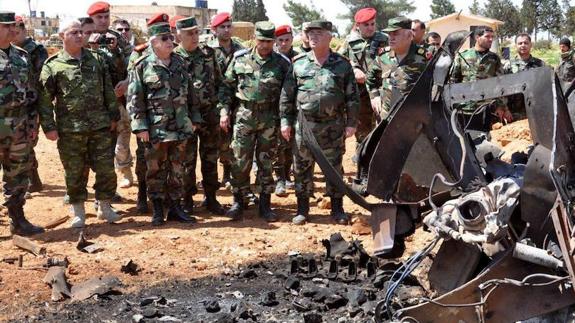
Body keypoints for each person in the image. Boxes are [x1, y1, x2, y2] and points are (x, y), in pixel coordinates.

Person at [39, 19, 121, 228]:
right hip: (71, 130)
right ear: (62, 37)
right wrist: (48, 126)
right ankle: (78, 211)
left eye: (81, 32)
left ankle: (104, 207)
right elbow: (45, 99)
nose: (79, 36)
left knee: (105, 170)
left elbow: (108, 90)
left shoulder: (96, 60)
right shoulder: (53, 65)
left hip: (100, 126)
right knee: (75, 172)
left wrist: (113, 116)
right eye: (73, 32)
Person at [280, 20, 359, 225]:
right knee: (302, 167)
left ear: (330, 36)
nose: (313, 37)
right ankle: (303, 209)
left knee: (334, 167)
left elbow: (352, 97)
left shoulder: (342, 64)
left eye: (318, 33)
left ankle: (337, 208)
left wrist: (351, 122)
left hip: (333, 126)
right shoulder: (298, 64)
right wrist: (285, 122)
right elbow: (287, 96)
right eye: (310, 33)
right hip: (305, 126)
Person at [127, 22, 200, 226]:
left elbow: (191, 95)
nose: (171, 42)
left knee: (179, 167)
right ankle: (158, 208)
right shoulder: (142, 65)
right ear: (154, 42)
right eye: (165, 39)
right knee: (155, 169)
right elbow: (135, 98)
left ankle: (176, 207)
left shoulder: (180, 63)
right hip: (155, 128)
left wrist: (194, 119)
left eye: (170, 38)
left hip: (180, 126)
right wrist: (140, 126)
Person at [218, 21, 290, 222]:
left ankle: (265, 204)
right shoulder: (240, 59)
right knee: (240, 160)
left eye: (269, 41)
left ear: (273, 41)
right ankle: (238, 202)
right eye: (261, 40)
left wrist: (285, 119)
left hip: (270, 118)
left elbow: (289, 94)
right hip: (245, 116)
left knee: (266, 161)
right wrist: (224, 111)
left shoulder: (282, 63)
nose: (265, 45)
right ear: (254, 39)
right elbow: (226, 87)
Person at [174, 16, 226, 216]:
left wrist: (221, 108)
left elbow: (220, 82)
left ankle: (211, 197)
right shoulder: (175, 57)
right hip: (184, 118)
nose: (195, 37)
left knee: (210, 158)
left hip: (209, 115)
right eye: (189, 33)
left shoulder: (208, 54)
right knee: (186, 160)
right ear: (178, 35)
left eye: (196, 32)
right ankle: (187, 199)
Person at [0, 11, 44, 235]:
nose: (12, 30)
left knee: (17, 175)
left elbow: (31, 91)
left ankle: (17, 220)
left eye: (13, 26)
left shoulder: (21, 56)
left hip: (18, 126)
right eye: (6, 26)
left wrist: (33, 122)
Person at [338, 7, 387, 188]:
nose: (370, 27)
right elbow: (339, 61)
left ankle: (382, 169)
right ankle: (363, 171)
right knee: (363, 131)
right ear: (358, 25)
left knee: (384, 129)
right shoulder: (350, 42)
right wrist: (353, 67)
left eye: (372, 24)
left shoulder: (384, 39)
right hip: (360, 94)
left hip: (381, 91)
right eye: (366, 25)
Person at [127, 13, 170, 214]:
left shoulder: (173, 57)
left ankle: (167, 198)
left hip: (168, 120)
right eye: (161, 31)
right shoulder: (139, 56)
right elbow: (134, 90)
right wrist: (139, 123)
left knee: (169, 159)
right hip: (148, 119)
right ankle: (142, 193)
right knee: (145, 158)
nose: (168, 37)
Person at [11, 15, 48, 194]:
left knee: (27, 142)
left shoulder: (36, 50)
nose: (13, 35)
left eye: (17, 32)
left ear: (24, 30)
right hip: (12, 105)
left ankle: (30, 179)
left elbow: (41, 78)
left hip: (32, 104)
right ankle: (31, 178)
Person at [449, 25, 511, 131]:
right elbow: (453, 81)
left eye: (492, 37)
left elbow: (500, 84)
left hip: (486, 109)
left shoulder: (494, 58)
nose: (491, 39)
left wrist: (502, 107)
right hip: (464, 109)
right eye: (487, 36)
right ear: (477, 37)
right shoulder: (462, 56)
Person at [366, 17, 429, 121]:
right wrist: (374, 96)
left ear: (409, 35)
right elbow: (370, 78)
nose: (391, 38)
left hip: (413, 119)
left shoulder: (424, 58)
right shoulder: (383, 56)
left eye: (395, 33)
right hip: (386, 117)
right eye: (389, 34)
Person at [209, 12, 244, 190]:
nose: (226, 30)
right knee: (213, 141)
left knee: (231, 139)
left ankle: (228, 175)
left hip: (235, 101)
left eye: (229, 26)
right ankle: (211, 179)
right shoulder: (207, 49)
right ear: (214, 30)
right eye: (222, 27)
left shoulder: (240, 48)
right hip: (212, 102)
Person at [273, 24, 297, 197]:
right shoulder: (272, 59)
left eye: (287, 39)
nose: (284, 43)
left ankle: (287, 175)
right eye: (280, 40)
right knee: (277, 146)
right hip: (274, 108)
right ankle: (279, 178)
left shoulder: (300, 57)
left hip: (295, 108)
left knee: (291, 144)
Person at [503, 33, 544, 117]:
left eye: (526, 43)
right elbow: (502, 89)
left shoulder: (540, 65)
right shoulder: (508, 66)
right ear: (516, 45)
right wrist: (505, 109)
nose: (523, 45)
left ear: (530, 45)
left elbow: (545, 88)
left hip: (535, 111)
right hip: (513, 112)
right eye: (520, 43)